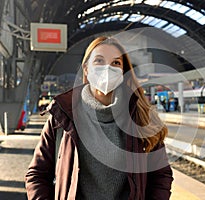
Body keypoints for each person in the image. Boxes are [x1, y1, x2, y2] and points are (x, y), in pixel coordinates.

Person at [25, 36, 173, 200]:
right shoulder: (62, 116)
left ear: (123, 73)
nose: (107, 69)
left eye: (116, 63)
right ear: (86, 69)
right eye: (99, 61)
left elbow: (161, 175)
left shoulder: (141, 117)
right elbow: (37, 174)